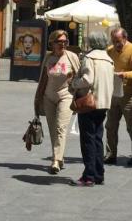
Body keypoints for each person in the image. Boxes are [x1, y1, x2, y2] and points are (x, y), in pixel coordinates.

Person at [69, 33, 114, 187]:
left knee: (88, 140)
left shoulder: (90, 58)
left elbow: (87, 80)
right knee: (97, 139)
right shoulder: (108, 59)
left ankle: (88, 176)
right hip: (103, 103)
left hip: (89, 103)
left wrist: (74, 82)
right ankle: (98, 174)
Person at [34, 30, 80, 174]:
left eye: (65, 42)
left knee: (61, 127)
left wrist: (73, 79)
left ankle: (56, 160)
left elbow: (80, 77)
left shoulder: (71, 57)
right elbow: (43, 79)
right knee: (53, 129)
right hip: (49, 97)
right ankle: (59, 156)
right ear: (52, 43)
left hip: (66, 96)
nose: (63, 44)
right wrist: (37, 98)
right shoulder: (48, 57)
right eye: (59, 42)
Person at [105, 28, 132, 166]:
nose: (116, 44)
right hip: (114, 92)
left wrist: (125, 75)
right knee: (110, 126)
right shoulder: (109, 51)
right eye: (113, 41)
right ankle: (111, 154)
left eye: (118, 41)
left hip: (130, 94)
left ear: (125, 38)